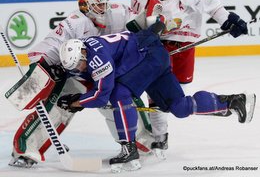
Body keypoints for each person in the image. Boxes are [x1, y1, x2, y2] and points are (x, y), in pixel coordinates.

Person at [57, 22, 256, 172]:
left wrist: (76, 102)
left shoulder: (97, 58)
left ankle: (129, 150)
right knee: (179, 107)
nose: (78, 70)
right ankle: (233, 101)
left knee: (119, 94)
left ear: (83, 54)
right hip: (152, 56)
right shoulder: (84, 49)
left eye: (78, 65)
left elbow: (101, 96)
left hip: (146, 57)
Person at [9, 0, 156, 168]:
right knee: (60, 106)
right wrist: (40, 67)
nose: (103, 9)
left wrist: (155, 24)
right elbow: (51, 44)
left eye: (104, 4)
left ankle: (141, 142)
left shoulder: (117, 12)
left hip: (108, 73)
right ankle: (26, 150)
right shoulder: (74, 22)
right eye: (98, 5)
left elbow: (139, 23)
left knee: (123, 100)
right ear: (86, 6)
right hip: (77, 74)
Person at [130, 0, 249, 157]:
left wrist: (227, 20)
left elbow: (211, 3)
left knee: (179, 98)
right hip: (157, 49)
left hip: (184, 47)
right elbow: (132, 24)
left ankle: (225, 103)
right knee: (158, 98)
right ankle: (160, 137)